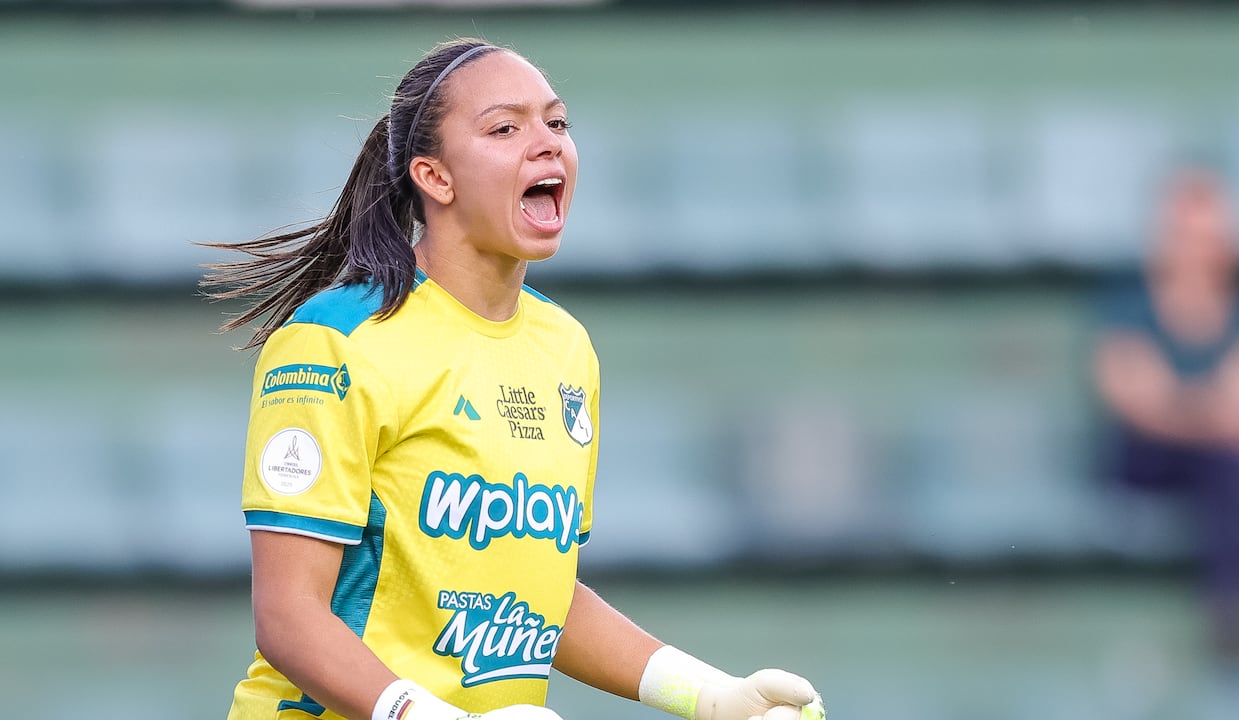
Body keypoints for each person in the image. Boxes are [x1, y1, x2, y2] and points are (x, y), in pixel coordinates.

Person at [203, 38, 826, 720]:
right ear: (435, 178)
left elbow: (534, 595)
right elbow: (289, 618)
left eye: (557, 123)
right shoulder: (337, 342)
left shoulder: (565, 348)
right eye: (505, 128)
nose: (547, 144)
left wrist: (706, 694)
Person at [1092, 167, 1239, 670]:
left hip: (1219, 470)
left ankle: (1231, 619)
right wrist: (1216, 410)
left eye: (1210, 235)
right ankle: (1231, 616)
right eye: (1188, 234)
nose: (1200, 248)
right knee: (1237, 461)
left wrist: (1182, 403)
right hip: (1144, 464)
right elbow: (1134, 402)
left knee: (1233, 471)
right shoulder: (1129, 301)